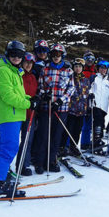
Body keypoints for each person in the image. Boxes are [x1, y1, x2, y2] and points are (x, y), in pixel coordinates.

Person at [0, 41, 39, 198]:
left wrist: (32, 98)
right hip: (9, 115)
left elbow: (18, 94)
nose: (17, 58)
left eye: (19, 55)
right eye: (13, 54)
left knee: (0, 146)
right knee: (10, 148)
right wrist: (28, 103)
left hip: (13, 115)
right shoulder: (3, 71)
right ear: (7, 54)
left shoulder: (14, 71)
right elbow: (9, 97)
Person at [35, 43, 74, 174]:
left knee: (56, 136)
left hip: (61, 108)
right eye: (54, 54)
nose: (56, 57)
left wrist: (61, 101)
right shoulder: (45, 69)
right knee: (44, 134)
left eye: (59, 54)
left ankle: (51, 161)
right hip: (47, 107)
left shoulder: (68, 71)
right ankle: (39, 162)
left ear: (62, 55)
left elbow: (71, 89)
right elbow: (40, 87)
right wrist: (44, 95)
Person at [15, 52, 38, 176]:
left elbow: (34, 92)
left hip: (30, 113)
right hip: (17, 113)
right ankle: (5, 165)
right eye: (26, 62)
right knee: (12, 141)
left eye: (30, 63)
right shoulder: (18, 75)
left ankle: (23, 165)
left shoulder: (33, 77)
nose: (28, 65)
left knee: (27, 141)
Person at [63, 58, 90, 156]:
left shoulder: (86, 80)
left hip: (81, 110)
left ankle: (73, 146)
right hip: (71, 109)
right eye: (76, 66)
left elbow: (87, 93)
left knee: (77, 131)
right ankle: (64, 147)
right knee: (68, 129)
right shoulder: (70, 78)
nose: (78, 68)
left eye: (80, 67)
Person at [88, 59, 109, 153]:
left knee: (101, 123)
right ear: (98, 69)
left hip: (104, 106)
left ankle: (97, 141)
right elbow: (89, 87)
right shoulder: (94, 78)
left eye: (105, 69)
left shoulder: (108, 82)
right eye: (101, 68)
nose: (103, 70)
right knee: (98, 121)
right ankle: (96, 140)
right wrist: (90, 94)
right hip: (95, 104)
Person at [81, 51, 96, 149]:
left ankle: (85, 143)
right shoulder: (82, 70)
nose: (90, 61)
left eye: (91, 59)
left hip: (92, 100)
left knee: (89, 123)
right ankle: (68, 144)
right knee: (78, 123)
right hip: (81, 99)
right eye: (87, 59)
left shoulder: (95, 71)